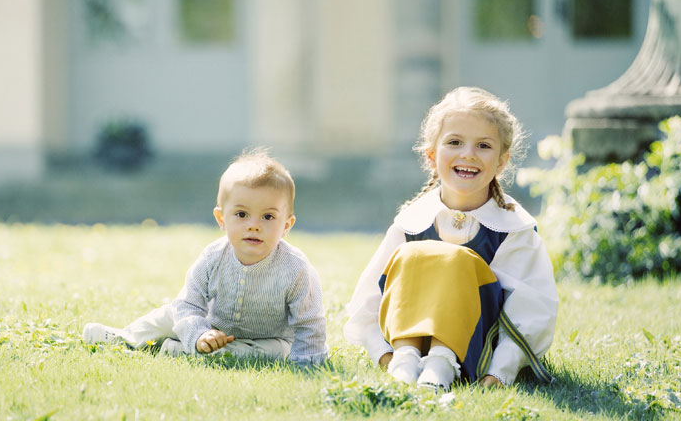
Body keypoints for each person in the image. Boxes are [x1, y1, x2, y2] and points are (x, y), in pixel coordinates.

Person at [344, 86, 558, 390]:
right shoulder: (412, 222)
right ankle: (407, 360)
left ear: (501, 161)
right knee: (411, 255)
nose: (468, 154)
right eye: (454, 142)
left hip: (474, 349)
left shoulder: (512, 229)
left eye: (483, 145)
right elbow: (369, 298)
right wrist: (385, 354)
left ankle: (442, 364)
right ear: (432, 155)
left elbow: (532, 309)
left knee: (455, 259)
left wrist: (500, 371)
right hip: (407, 348)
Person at [83, 148, 328, 365]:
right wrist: (199, 333)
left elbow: (309, 323)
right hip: (211, 325)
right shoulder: (213, 257)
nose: (254, 225)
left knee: (274, 353)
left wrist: (307, 362)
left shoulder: (295, 268)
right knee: (167, 315)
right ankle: (126, 337)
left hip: (267, 338)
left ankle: (177, 351)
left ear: (287, 224)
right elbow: (188, 303)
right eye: (242, 215)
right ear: (222, 219)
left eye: (268, 217)